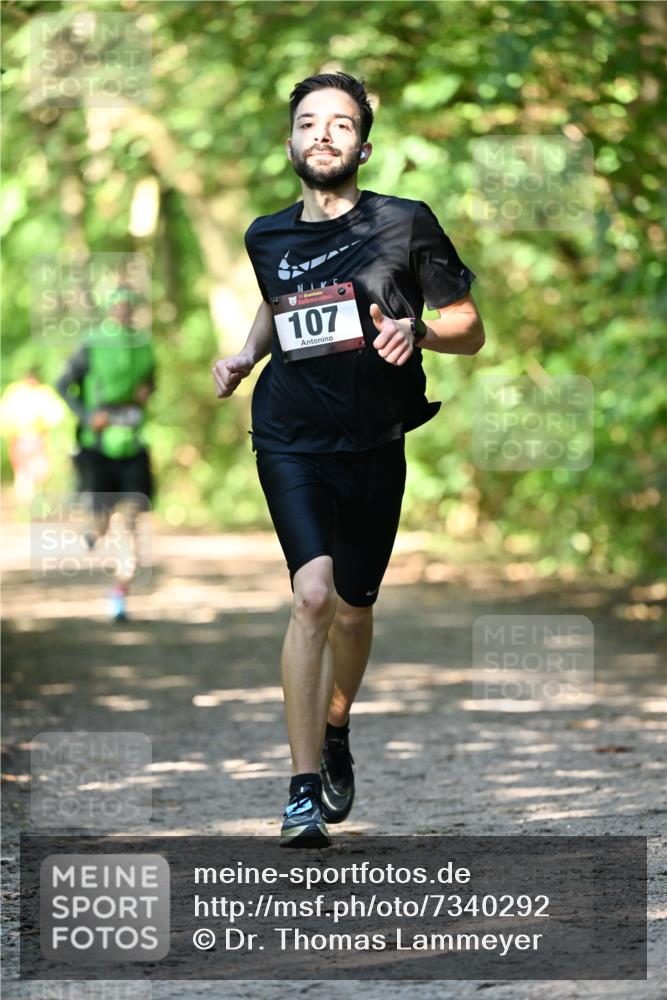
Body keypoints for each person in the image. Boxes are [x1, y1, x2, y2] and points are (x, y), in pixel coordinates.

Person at [212, 72, 484, 848]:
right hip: (290, 434)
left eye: (339, 123)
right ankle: (301, 791)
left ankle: (336, 726)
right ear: (290, 142)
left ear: (363, 144)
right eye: (307, 122)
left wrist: (423, 335)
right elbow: (275, 300)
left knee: (356, 608)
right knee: (313, 596)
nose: (322, 133)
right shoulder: (266, 234)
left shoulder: (405, 224)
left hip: (374, 440)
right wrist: (242, 356)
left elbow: (468, 325)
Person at [55, 287, 155, 621]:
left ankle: (119, 596)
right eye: (119, 306)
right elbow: (62, 384)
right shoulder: (92, 343)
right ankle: (92, 532)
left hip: (132, 444)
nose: (124, 311)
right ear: (111, 310)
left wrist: (146, 391)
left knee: (128, 523)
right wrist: (87, 416)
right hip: (97, 448)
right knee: (98, 524)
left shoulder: (144, 344)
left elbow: (151, 381)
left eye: (130, 306)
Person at [0, 372, 65, 505]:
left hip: (36, 438)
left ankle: (31, 503)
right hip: (21, 438)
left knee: (39, 472)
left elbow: (55, 414)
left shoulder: (41, 393)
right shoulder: (17, 393)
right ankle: (25, 505)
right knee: (24, 473)